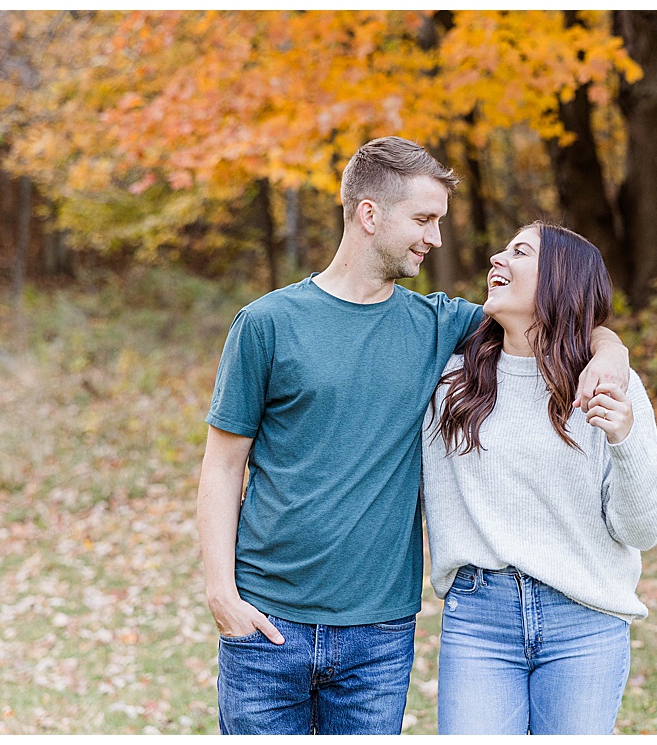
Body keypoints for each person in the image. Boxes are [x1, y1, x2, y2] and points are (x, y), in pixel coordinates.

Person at [197, 138, 630, 735]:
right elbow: (222, 466)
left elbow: (554, 314)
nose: (436, 238)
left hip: (380, 633)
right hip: (267, 622)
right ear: (369, 214)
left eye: (440, 221)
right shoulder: (267, 324)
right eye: (424, 219)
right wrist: (223, 595)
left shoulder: (437, 325)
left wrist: (611, 350)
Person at [422, 222, 657, 735]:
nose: (496, 257)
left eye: (519, 252)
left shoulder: (610, 387)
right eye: (502, 248)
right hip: (479, 621)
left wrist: (625, 440)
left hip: (583, 620)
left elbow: (645, 530)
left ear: (561, 279)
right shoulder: (448, 381)